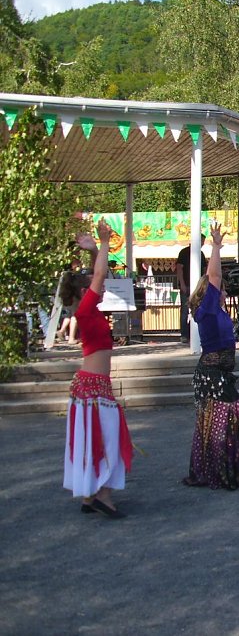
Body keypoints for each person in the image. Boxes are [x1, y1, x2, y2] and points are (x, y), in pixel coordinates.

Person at [61, 218, 133, 518]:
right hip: (93, 387)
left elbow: (97, 275)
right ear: (82, 293)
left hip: (90, 385)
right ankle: (103, 495)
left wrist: (93, 250)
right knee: (107, 440)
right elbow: (100, 275)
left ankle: (89, 497)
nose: (101, 289)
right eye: (93, 287)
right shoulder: (86, 309)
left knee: (94, 437)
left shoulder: (88, 310)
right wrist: (104, 241)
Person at [183, 222, 239, 489]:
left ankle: (221, 472)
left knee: (220, 423)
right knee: (236, 419)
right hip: (212, 375)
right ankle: (226, 474)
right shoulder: (208, 310)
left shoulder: (217, 312)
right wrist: (215, 247)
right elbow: (214, 277)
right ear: (209, 295)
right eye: (222, 290)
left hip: (218, 374)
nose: (225, 292)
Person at [176, 234, 207, 344]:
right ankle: (184, 335)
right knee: (185, 311)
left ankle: (198, 332)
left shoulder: (201, 254)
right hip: (187, 285)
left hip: (198, 287)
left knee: (199, 309)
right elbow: (179, 269)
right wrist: (182, 284)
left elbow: (204, 270)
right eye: (202, 241)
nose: (203, 244)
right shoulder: (184, 252)